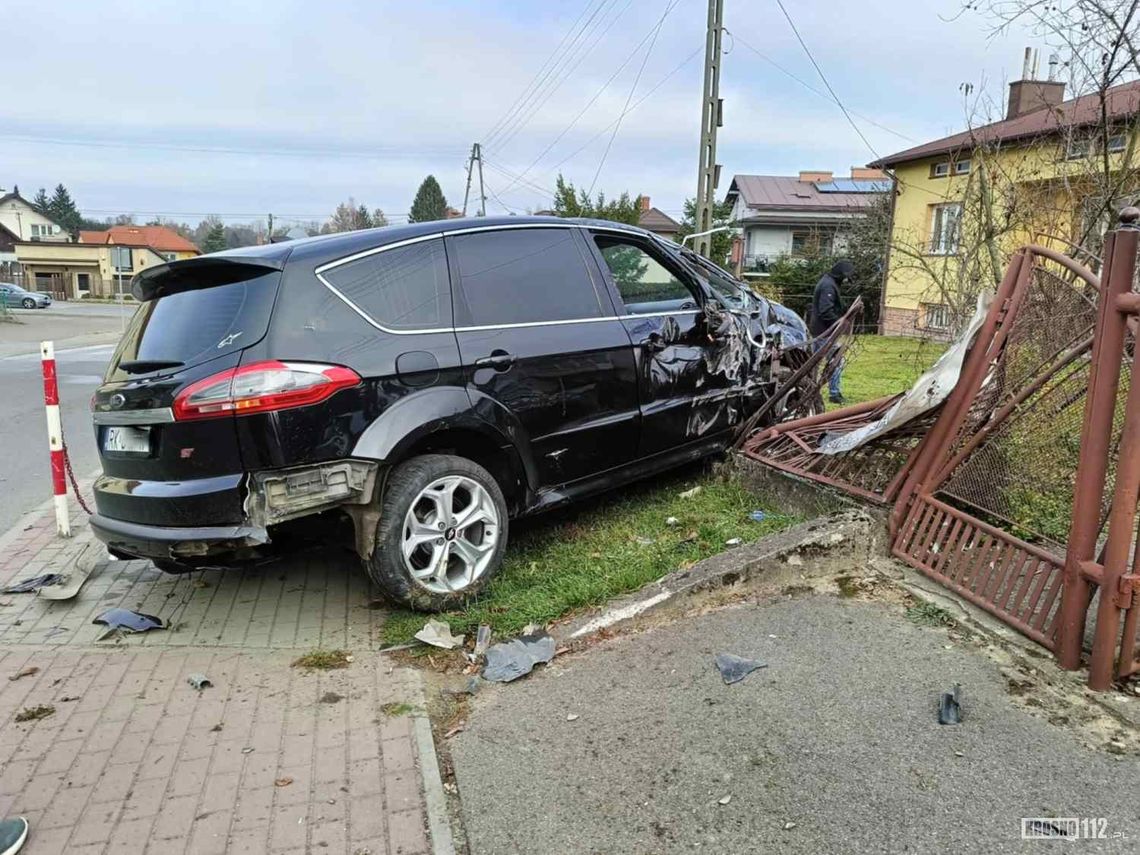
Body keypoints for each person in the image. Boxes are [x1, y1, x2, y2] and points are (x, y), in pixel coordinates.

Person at [808, 259, 855, 404]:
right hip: (825, 332)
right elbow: (825, 311)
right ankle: (834, 393)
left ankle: (809, 389)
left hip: (819, 330)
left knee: (814, 363)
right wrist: (839, 324)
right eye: (846, 278)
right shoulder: (828, 286)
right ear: (841, 275)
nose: (846, 281)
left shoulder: (828, 282)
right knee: (836, 361)